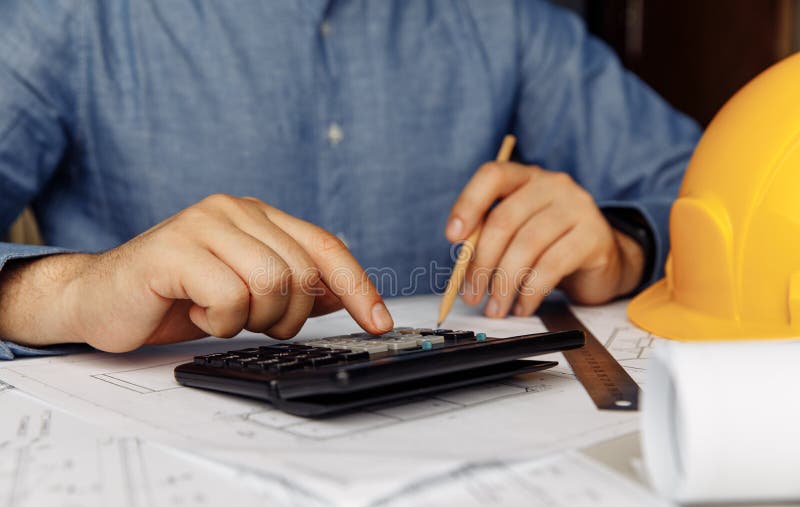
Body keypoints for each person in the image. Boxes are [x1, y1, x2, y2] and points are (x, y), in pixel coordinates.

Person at [0, 0, 700, 358]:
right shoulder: (66, 18)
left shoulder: (505, 20)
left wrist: (627, 241)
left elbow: (723, 192)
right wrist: (67, 292)